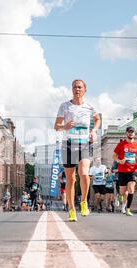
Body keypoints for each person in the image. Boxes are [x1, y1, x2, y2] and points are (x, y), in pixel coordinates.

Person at [54, 79, 101, 222]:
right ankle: (71, 209)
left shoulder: (89, 107)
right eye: (74, 87)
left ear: (85, 89)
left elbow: (97, 119)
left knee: (84, 173)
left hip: (84, 144)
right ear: (71, 89)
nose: (77, 89)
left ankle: (84, 201)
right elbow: (56, 126)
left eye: (80, 87)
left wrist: (93, 131)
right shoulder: (65, 106)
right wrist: (65, 126)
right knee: (71, 179)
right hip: (68, 145)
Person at [113, 126, 137, 217]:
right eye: (129, 132)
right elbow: (114, 156)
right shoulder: (121, 144)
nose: (131, 133)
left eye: (132, 132)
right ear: (126, 133)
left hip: (132, 170)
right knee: (123, 192)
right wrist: (119, 161)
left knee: (131, 189)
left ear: (134, 134)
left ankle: (128, 209)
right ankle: (119, 196)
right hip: (122, 170)